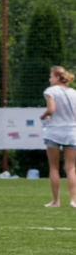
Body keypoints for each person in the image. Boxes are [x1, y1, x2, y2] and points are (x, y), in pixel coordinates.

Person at [39, 66, 76, 208]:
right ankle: (73, 200)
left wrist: (43, 116)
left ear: (57, 77)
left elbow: (51, 109)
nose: (49, 79)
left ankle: (56, 201)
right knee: (71, 168)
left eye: (51, 76)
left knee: (54, 167)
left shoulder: (51, 91)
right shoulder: (73, 92)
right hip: (71, 131)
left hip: (54, 131)